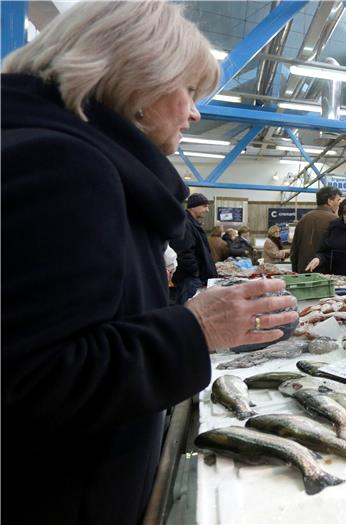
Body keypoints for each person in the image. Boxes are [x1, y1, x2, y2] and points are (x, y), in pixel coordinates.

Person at [1, 3, 298, 524]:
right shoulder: (63, 166)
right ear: (140, 86)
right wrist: (196, 327)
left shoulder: (54, 152)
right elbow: (24, 384)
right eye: (188, 91)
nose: (195, 113)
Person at [172, 193, 217, 304]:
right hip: (189, 280)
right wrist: (195, 273)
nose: (207, 210)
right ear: (193, 206)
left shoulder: (191, 223)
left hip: (193, 278)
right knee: (191, 313)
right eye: (204, 206)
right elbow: (184, 252)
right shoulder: (186, 224)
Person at [290, 185, 342, 272]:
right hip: (325, 275)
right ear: (329, 201)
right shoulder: (335, 221)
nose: (339, 203)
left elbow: (294, 250)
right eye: (338, 200)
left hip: (303, 272)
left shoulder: (303, 219)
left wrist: (296, 271)